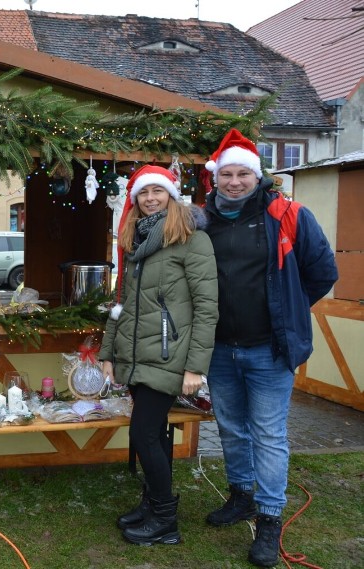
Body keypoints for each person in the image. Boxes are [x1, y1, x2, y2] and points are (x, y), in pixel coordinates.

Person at [202, 129, 338, 567]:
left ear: (257, 176)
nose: (235, 181)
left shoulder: (289, 215)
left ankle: (270, 516)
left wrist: (288, 309)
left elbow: (322, 272)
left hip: (270, 350)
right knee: (230, 427)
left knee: (268, 433)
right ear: (215, 178)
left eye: (244, 173)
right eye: (228, 174)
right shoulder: (205, 221)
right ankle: (240, 494)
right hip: (220, 348)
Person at [99, 165, 218, 546]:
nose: (151, 198)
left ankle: (166, 520)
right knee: (152, 436)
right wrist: (108, 353)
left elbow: (206, 307)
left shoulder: (191, 239)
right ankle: (152, 505)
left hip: (169, 356)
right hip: (137, 356)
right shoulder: (137, 244)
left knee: (144, 434)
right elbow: (122, 305)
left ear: (171, 195)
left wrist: (196, 366)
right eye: (143, 193)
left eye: (158, 191)